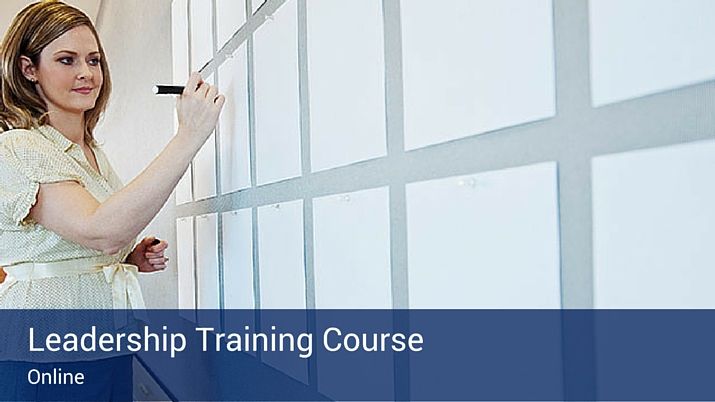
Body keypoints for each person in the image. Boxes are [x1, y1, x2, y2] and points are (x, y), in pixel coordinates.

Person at [0, 1, 224, 399]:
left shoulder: (91, 151)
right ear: (28, 69)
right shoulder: (18, 147)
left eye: (94, 60)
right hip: (45, 353)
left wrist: (125, 258)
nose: (86, 73)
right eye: (66, 60)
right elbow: (99, 229)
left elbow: (81, 241)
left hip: (106, 340)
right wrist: (188, 135)